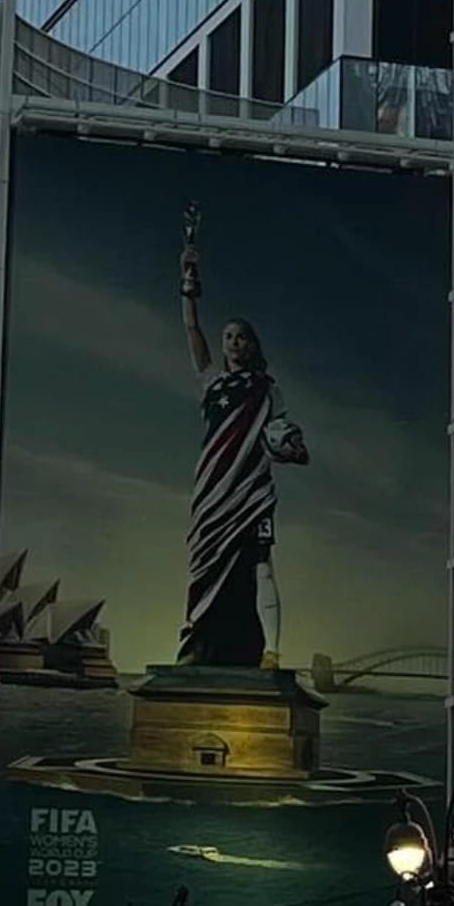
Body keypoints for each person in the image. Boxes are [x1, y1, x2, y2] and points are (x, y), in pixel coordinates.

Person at [178, 209, 309, 669]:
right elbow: (192, 329)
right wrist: (189, 282)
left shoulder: (267, 388)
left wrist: (292, 448)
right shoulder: (211, 382)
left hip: (252, 491)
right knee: (204, 566)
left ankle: (271, 651)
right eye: (228, 336)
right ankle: (198, 646)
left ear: (252, 345)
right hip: (213, 493)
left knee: (261, 566)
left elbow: (283, 435)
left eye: (241, 337)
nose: (233, 343)